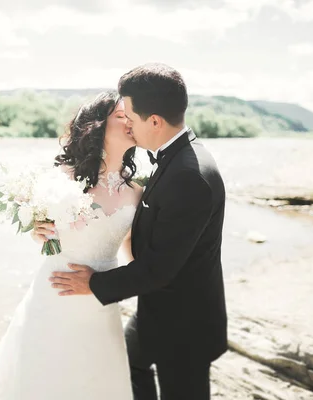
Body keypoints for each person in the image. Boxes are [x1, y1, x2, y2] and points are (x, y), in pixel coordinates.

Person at [48, 63, 228, 400]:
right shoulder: (175, 159)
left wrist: (93, 283)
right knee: (127, 365)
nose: (127, 122)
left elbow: (159, 268)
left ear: (155, 122)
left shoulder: (189, 174)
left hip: (185, 328)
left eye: (130, 115)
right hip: (158, 313)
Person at [0, 90, 142, 400]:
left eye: (131, 116)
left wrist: (150, 285)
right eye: (119, 116)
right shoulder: (59, 179)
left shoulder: (137, 193)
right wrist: (39, 230)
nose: (128, 121)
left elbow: (133, 249)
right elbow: (38, 226)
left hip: (102, 301)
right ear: (98, 125)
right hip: (56, 292)